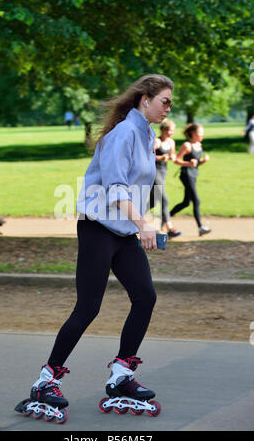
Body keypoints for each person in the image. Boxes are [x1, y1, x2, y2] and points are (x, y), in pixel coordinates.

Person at [18, 74, 174, 422]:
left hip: (122, 232)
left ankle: (121, 375)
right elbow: (116, 189)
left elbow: (136, 188)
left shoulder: (145, 135)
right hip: (97, 230)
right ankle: (46, 380)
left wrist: (143, 222)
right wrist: (144, 225)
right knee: (88, 306)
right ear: (144, 99)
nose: (168, 108)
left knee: (145, 296)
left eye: (170, 103)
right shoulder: (123, 134)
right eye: (164, 101)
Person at [170, 123, 211, 236]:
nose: (201, 135)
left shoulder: (199, 145)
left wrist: (203, 161)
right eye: (199, 133)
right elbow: (176, 160)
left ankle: (166, 217)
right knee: (196, 200)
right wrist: (188, 163)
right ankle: (201, 227)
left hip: (194, 175)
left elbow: (196, 164)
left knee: (186, 202)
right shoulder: (187, 145)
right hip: (186, 175)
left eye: (202, 133)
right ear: (193, 133)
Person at [147, 119, 182, 239]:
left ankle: (133, 216)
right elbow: (148, 155)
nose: (171, 133)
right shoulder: (157, 141)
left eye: (172, 131)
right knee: (164, 199)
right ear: (163, 130)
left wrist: (172, 157)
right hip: (154, 172)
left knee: (154, 201)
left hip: (163, 172)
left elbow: (173, 154)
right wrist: (161, 157)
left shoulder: (171, 142)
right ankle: (169, 228)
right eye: (169, 131)